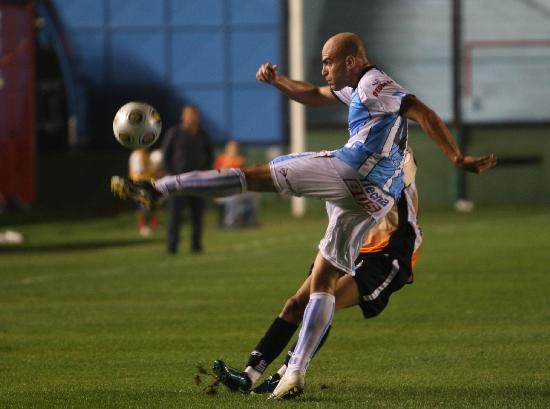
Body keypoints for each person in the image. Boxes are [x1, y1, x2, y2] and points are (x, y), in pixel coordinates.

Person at [111, 32, 496, 399]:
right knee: (323, 281)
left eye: (328, 62)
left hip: (353, 171)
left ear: (351, 60)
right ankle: (292, 372)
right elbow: (312, 94)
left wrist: (457, 157)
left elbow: (422, 111)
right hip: (374, 199)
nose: (324, 69)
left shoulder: (375, 84)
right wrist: (279, 82)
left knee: (255, 176)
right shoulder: (357, 88)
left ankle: (158, 188)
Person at [212, 147, 421, 395]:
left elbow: (392, 179)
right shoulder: (354, 152)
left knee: (322, 303)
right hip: (348, 245)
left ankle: (285, 375)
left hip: (387, 254)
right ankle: (248, 376)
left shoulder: (401, 156)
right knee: (295, 305)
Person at [161, 104, 213, 254]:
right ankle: (172, 246)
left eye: (194, 114)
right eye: (189, 114)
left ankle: (196, 245)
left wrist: (206, 172)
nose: (192, 117)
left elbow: (209, 155)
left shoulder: (203, 134)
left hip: (198, 180)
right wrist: (169, 173)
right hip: (178, 180)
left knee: (197, 215)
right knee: (175, 214)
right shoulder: (175, 133)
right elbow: (165, 154)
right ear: (183, 116)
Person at [214, 141, 259, 228]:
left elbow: (243, 174)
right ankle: (229, 222)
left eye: (235, 148)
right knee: (233, 198)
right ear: (227, 149)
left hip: (238, 189)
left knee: (254, 196)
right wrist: (229, 160)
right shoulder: (222, 158)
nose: (234, 150)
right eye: (231, 148)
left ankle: (250, 220)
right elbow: (219, 174)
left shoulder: (239, 159)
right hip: (223, 190)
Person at [128, 148, 160, 237]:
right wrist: (153, 169)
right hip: (140, 183)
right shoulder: (137, 154)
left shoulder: (146, 153)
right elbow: (139, 171)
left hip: (149, 182)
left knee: (153, 204)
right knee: (142, 206)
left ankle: (154, 225)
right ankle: (142, 226)